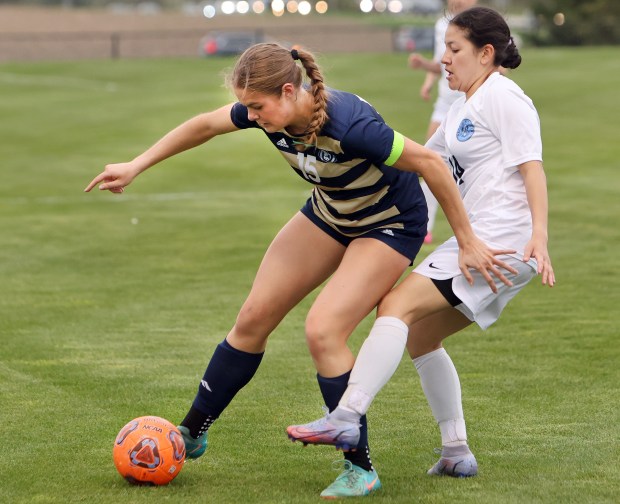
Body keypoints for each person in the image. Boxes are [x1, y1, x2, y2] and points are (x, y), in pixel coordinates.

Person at [84, 43, 514, 498]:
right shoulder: (266, 110)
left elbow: (430, 163)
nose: (251, 116)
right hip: (330, 213)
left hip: (389, 224)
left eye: (258, 106)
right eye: (246, 105)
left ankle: (359, 468)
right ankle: (192, 432)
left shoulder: (349, 125)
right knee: (253, 318)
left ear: (290, 91)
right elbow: (204, 125)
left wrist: (466, 240)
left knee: (323, 329)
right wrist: (136, 165)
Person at [287, 6, 555, 483]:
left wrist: (540, 235)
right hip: (493, 244)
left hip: (498, 243)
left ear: (486, 53)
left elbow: (532, 166)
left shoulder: (504, 97)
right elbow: (418, 162)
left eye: (454, 50)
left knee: (395, 306)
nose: (445, 59)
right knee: (420, 334)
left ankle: (346, 416)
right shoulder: (460, 108)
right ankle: (456, 451)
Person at [409, 0, 478, 244]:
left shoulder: (484, 24)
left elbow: (500, 65)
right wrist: (426, 75)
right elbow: (442, 62)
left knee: (471, 167)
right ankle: (424, 226)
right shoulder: (443, 24)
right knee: (429, 160)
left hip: (475, 104)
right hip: (445, 104)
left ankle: (477, 226)